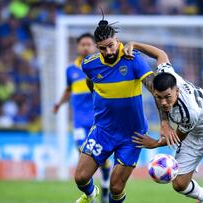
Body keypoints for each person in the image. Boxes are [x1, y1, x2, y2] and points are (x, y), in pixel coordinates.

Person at [124, 41, 203, 203]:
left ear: (177, 91)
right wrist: (135, 44)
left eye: (168, 97)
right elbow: (161, 54)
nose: (164, 103)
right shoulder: (167, 75)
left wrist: (155, 143)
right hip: (194, 134)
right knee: (179, 184)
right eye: (159, 98)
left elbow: (179, 136)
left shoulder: (189, 111)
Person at [74, 19, 175, 203]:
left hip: (132, 134)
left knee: (116, 187)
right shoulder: (89, 64)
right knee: (80, 178)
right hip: (103, 130)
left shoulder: (133, 59)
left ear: (117, 40)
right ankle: (91, 194)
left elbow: (155, 90)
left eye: (111, 46)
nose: (109, 51)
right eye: (103, 48)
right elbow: (91, 81)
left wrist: (164, 122)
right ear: (97, 47)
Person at [52, 33, 110, 203]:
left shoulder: (101, 66)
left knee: (103, 157)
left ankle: (105, 185)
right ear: (78, 47)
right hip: (79, 122)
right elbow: (69, 90)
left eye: (88, 44)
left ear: (95, 47)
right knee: (84, 154)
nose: (85, 47)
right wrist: (58, 104)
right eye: (82, 44)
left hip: (98, 120)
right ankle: (91, 193)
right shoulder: (70, 69)